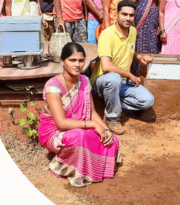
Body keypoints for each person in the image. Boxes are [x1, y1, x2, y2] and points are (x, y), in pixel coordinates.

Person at [38, 42, 119, 187]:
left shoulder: (84, 81)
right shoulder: (53, 86)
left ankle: (95, 167)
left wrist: (105, 129)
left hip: (79, 126)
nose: (77, 65)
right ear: (62, 61)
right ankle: (67, 165)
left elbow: (92, 112)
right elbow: (61, 123)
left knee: (111, 139)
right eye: (72, 60)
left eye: (81, 60)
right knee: (80, 136)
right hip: (54, 132)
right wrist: (94, 125)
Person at [91, 0, 155, 135]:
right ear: (117, 14)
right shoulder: (107, 35)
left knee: (148, 101)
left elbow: (129, 50)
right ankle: (112, 117)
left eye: (131, 15)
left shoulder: (132, 31)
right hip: (102, 80)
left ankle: (113, 102)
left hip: (121, 82)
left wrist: (138, 57)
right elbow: (106, 66)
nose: (128, 18)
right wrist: (129, 75)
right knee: (114, 78)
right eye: (124, 14)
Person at [131, 0, 164, 73]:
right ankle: (137, 72)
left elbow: (160, 5)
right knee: (138, 44)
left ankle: (152, 72)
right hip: (139, 17)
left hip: (153, 17)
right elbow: (133, 4)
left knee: (152, 42)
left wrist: (160, 25)